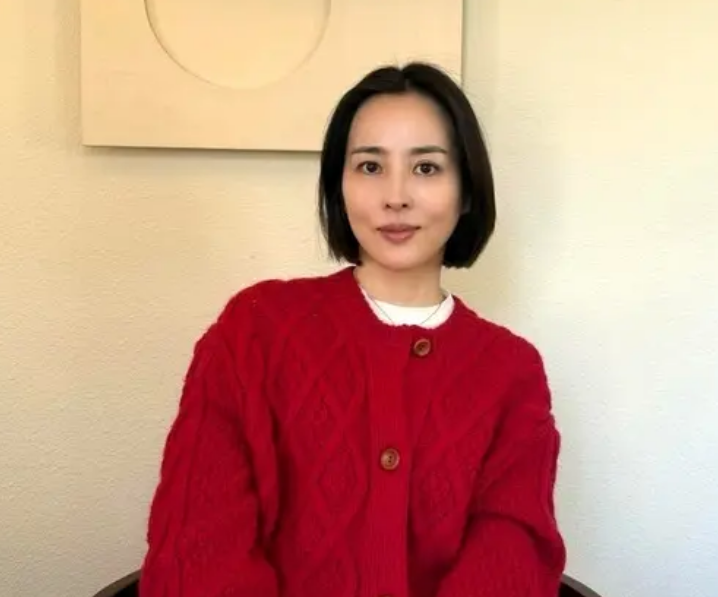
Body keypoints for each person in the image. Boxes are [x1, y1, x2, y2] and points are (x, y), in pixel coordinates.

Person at [138, 62, 566, 597]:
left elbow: (513, 553)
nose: (396, 196)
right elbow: (197, 546)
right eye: (369, 166)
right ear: (338, 187)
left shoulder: (512, 371)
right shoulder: (254, 330)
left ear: (467, 191)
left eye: (426, 168)